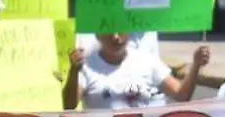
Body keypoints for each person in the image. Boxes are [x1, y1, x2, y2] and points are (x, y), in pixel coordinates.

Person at [65, 35, 208, 110]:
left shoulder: (146, 61)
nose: (116, 37)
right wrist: (74, 72)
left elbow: (181, 94)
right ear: (98, 35)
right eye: (109, 32)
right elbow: (69, 105)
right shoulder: (87, 66)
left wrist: (195, 66)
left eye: (120, 31)